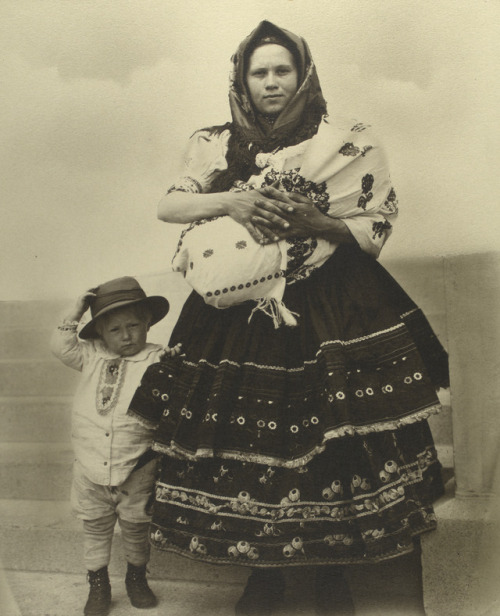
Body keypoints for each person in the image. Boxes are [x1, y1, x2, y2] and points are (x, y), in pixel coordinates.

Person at [129, 21, 449, 616]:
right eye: (260, 72)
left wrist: (316, 222)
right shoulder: (215, 140)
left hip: (334, 305)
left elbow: (373, 225)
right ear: (243, 82)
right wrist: (232, 200)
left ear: (302, 76)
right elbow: (169, 204)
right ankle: (265, 576)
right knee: (246, 443)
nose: (271, 82)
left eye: (282, 70)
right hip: (239, 311)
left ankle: (330, 573)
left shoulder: (348, 141)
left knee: (334, 440)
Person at [50, 276, 181, 616]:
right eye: (115, 330)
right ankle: (98, 584)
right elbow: (60, 346)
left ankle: (136, 579)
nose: (126, 336)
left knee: (137, 529)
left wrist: (176, 364)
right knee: (95, 528)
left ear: (148, 322)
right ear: (100, 333)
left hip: (137, 465)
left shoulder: (157, 358)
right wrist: (76, 310)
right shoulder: (90, 355)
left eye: (134, 325)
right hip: (90, 466)